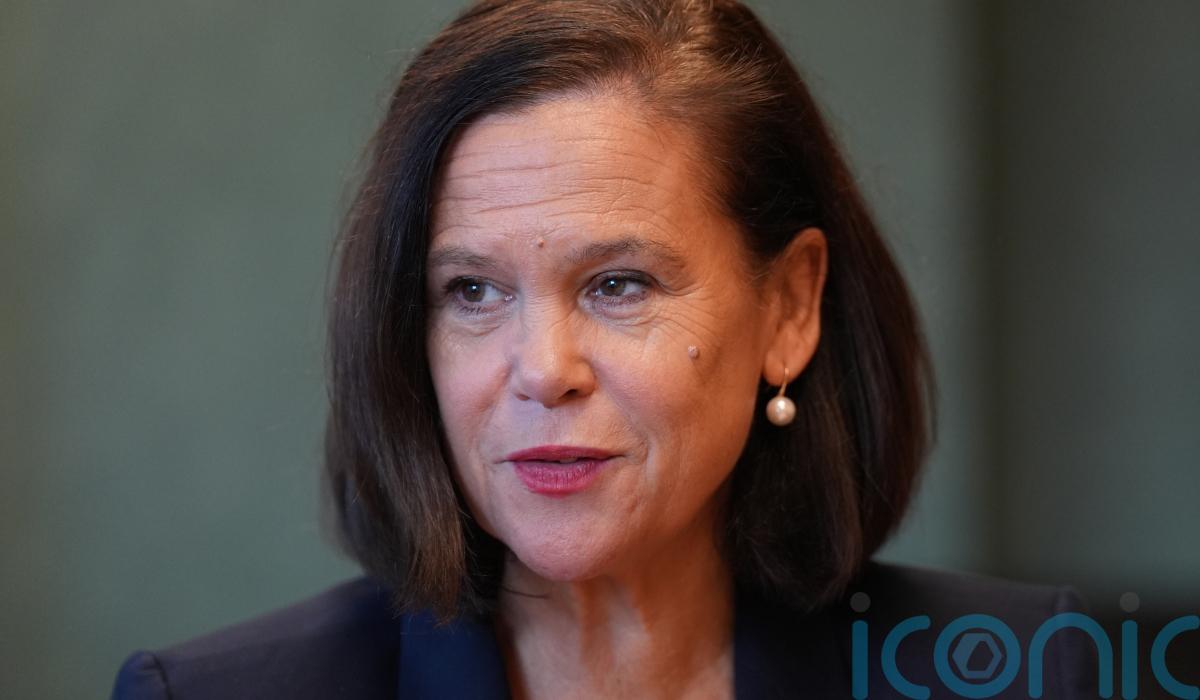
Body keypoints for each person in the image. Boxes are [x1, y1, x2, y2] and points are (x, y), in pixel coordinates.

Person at [112, 1, 1100, 697]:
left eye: (618, 284)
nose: (544, 369)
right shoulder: (204, 695)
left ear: (789, 308)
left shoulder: (1025, 671)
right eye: (472, 291)